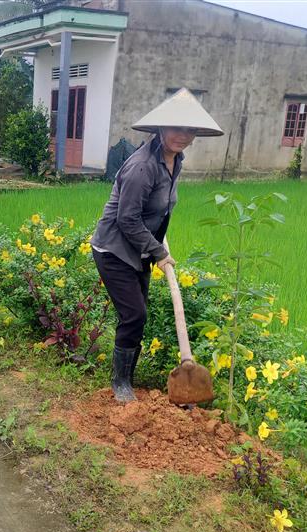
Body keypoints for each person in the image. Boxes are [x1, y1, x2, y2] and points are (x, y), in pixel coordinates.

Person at [90, 88, 223, 403]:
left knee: (139, 313)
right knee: (134, 315)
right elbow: (127, 219)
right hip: (114, 250)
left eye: (189, 129)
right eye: (176, 127)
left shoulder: (175, 160)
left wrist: (156, 242)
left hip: (140, 250)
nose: (182, 135)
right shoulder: (142, 167)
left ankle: (129, 378)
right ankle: (121, 383)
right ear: (160, 128)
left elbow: (158, 208)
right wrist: (160, 252)